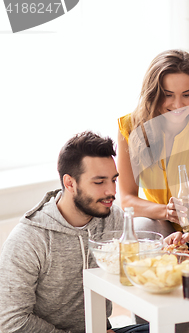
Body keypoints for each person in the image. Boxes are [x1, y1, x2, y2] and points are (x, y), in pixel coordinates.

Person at [0, 132, 145, 333]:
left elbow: (133, 270)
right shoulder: (28, 239)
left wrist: (166, 252)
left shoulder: (114, 218)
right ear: (70, 183)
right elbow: (11, 322)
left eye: (113, 180)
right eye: (99, 182)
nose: (111, 191)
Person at [117, 49, 189, 237]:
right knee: (138, 228)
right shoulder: (131, 128)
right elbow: (127, 200)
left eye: (187, 95)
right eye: (168, 95)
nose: (178, 105)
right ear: (152, 93)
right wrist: (166, 212)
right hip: (161, 220)